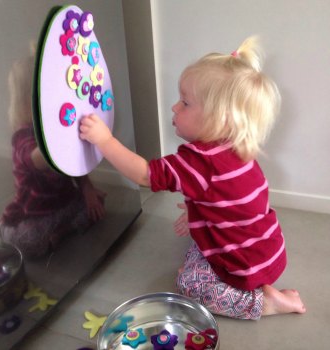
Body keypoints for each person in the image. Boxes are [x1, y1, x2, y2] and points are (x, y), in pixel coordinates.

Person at [79, 36, 306, 320]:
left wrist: (104, 140)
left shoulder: (199, 161)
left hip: (245, 266)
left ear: (219, 119)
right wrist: (198, 209)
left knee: (189, 286)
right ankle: (217, 270)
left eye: (185, 103)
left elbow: (145, 175)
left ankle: (265, 303)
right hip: (268, 249)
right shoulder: (235, 146)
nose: (175, 108)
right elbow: (233, 200)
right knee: (195, 250)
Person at [0, 48, 106, 259]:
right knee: (25, 240)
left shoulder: (58, 126)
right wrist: (63, 132)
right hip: (30, 216)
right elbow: (38, 159)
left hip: (61, 205)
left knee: (96, 204)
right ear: (27, 101)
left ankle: (60, 233)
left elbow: (74, 164)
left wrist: (88, 188)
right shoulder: (23, 137)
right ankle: (53, 236)